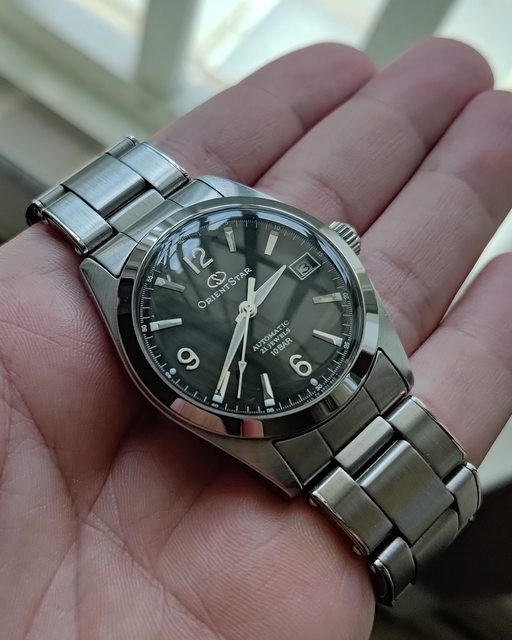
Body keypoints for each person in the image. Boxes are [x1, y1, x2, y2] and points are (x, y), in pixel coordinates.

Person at [0, 37, 511, 640]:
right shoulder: (115, 281)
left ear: (338, 246)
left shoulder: (239, 217)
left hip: (332, 365)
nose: (245, 307)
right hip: (273, 413)